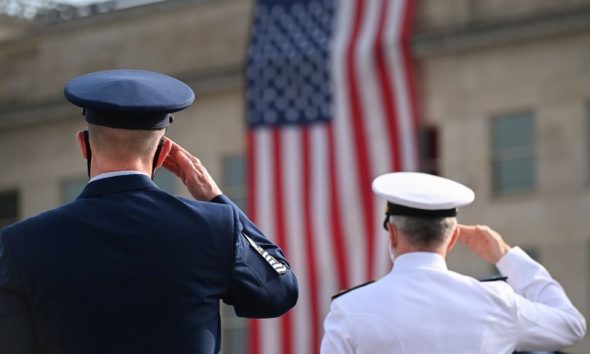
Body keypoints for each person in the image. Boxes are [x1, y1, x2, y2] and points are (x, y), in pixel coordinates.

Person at [0, 69, 298, 354]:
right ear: (164, 152)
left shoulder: (21, 244)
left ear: (83, 144)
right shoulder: (213, 227)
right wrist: (216, 199)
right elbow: (278, 291)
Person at [321, 172, 586, 354]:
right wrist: (505, 255)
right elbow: (571, 326)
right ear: (454, 237)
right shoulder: (498, 302)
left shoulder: (350, 309)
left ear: (392, 233)